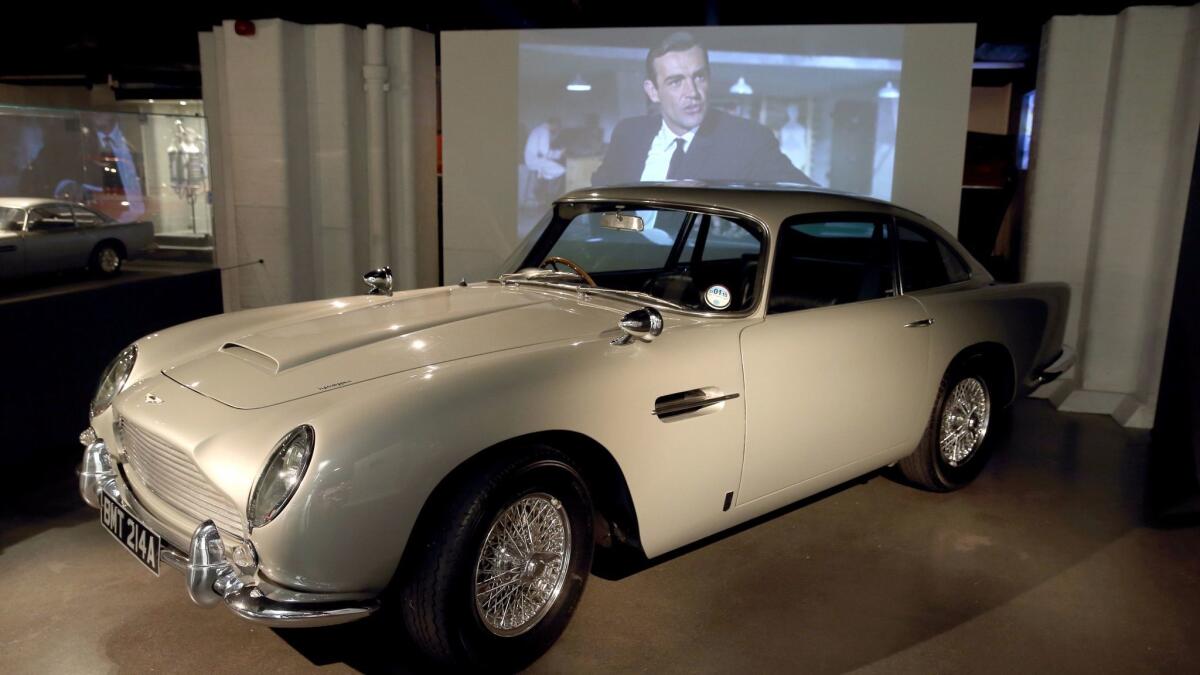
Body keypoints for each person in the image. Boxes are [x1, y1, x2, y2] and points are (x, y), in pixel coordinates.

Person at [592, 32, 815, 187]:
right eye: (676, 82)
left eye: (699, 77)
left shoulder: (747, 140)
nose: (693, 92)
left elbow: (808, 198)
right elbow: (597, 204)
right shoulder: (629, 134)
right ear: (653, 91)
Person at [523, 118, 566, 203]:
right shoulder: (544, 131)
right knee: (562, 170)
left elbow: (542, 151)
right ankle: (551, 197)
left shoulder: (537, 129)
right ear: (554, 124)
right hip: (536, 161)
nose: (557, 129)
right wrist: (559, 153)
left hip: (532, 160)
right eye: (557, 127)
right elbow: (545, 152)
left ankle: (541, 194)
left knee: (548, 172)